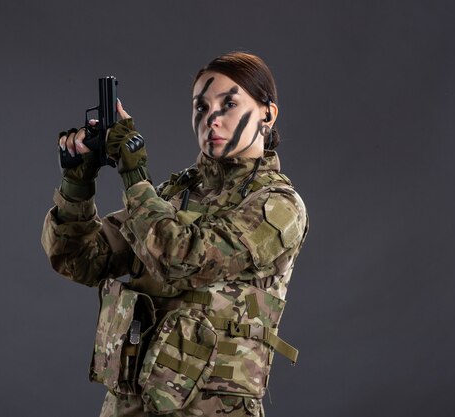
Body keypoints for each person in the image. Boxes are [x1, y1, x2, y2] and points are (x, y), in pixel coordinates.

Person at [41, 51, 309, 417]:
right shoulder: (172, 196)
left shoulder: (278, 207)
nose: (211, 119)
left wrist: (135, 177)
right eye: (201, 107)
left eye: (229, 104)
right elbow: (81, 261)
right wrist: (77, 184)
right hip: (129, 406)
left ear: (267, 113)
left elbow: (182, 259)